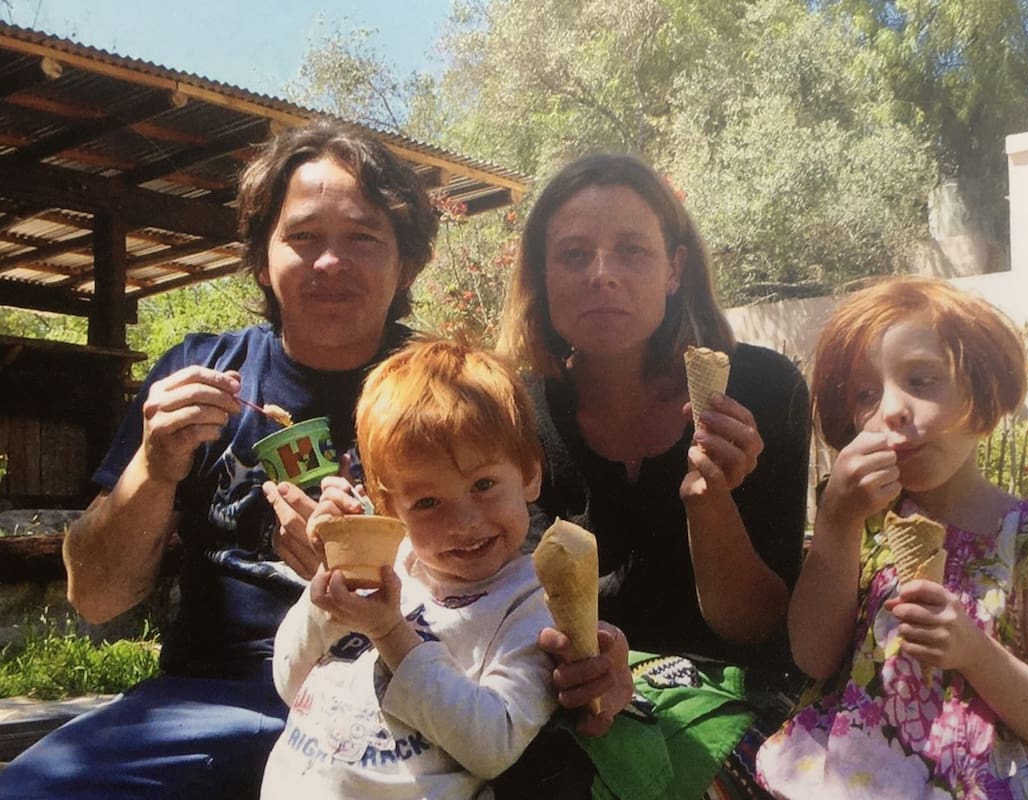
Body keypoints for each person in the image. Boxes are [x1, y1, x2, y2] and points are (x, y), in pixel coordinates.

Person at [0, 121, 440, 799]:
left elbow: (498, 563)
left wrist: (374, 574)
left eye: (362, 238)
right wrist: (155, 464)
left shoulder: (446, 391)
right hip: (211, 702)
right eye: (303, 237)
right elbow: (96, 598)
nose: (330, 262)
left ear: (406, 263)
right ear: (263, 261)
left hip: (392, 693)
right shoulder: (201, 372)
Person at [496, 153, 811, 797]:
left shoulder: (762, 389)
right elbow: (503, 603)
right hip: (565, 703)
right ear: (541, 275)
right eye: (574, 254)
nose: (602, 275)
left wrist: (710, 502)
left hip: (731, 703)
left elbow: (755, 627)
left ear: (675, 269)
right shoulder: (512, 410)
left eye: (632, 251)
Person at [755, 275, 1028, 798]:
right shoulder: (864, 521)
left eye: (922, 381)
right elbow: (812, 655)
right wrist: (837, 520)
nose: (891, 409)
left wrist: (976, 652)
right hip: (868, 777)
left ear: (984, 394)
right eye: (865, 394)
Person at [260, 337, 557, 799]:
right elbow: (288, 683)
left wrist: (391, 635)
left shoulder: (532, 604)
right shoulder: (383, 564)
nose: (464, 522)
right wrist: (326, 600)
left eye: (483, 484)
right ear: (387, 507)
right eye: (427, 502)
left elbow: (492, 744)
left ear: (530, 473)